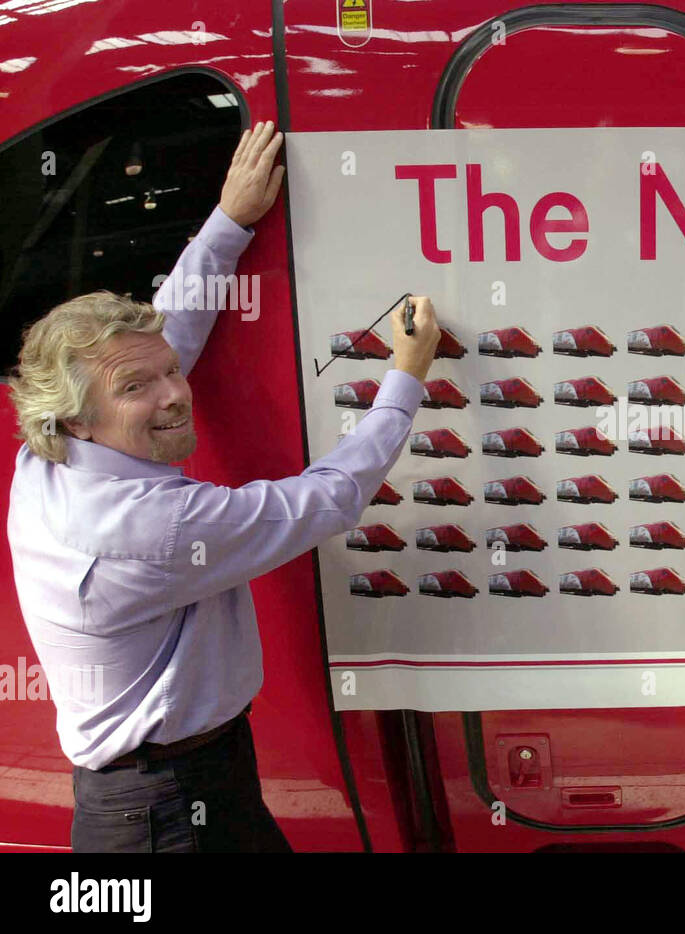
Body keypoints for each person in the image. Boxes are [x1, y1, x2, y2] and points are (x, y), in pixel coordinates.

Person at [5, 119, 442, 852]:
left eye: (169, 372)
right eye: (137, 388)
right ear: (76, 418)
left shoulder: (48, 457)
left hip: (159, 797)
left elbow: (166, 337)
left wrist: (230, 221)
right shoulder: (156, 527)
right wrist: (407, 375)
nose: (175, 393)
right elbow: (327, 497)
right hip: (172, 816)